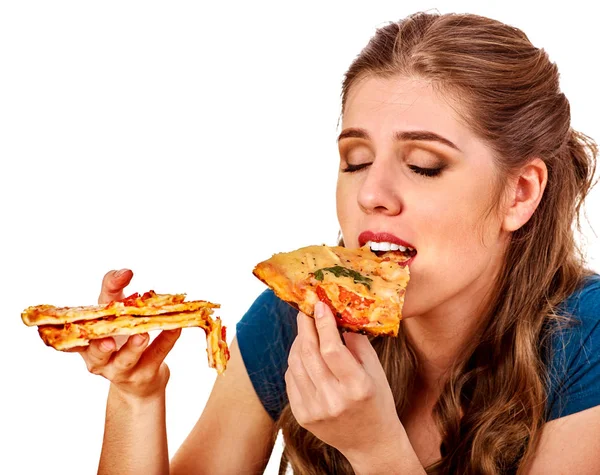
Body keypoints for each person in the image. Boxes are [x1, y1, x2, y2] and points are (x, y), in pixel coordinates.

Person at [78, 11, 600, 474]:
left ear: (519, 192)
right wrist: (135, 396)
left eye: (423, 166)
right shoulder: (296, 319)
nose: (372, 193)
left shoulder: (588, 341)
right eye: (356, 161)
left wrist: (376, 450)